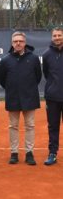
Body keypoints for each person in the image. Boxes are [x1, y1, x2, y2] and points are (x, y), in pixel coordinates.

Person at [0, 31, 42, 165]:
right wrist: (13, 89)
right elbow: (2, 79)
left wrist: (27, 89)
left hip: (30, 97)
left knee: (30, 125)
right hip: (13, 97)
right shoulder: (6, 60)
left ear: (25, 43)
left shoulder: (34, 58)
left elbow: (38, 77)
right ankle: (14, 153)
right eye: (15, 41)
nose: (18, 43)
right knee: (13, 126)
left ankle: (29, 153)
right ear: (12, 43)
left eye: (20, 41)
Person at [43, 27, 63, 165]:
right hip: (53, 98)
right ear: (52, 37)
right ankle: (52, 154)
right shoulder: (46, 54)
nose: (57, 38)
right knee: (53, 127)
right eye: (55, 35)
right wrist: (52, 88)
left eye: (59, 35)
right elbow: (46, 74)